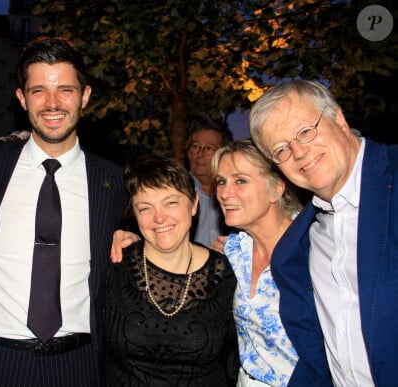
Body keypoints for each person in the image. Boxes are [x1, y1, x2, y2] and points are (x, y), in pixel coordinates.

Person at [0, 37, 128, 386]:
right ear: (21, 99)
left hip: (78, 367)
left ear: (85, 96)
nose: (52, 103)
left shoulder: (111, 180)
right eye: (38, 91)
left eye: (65, 89)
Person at [249, 79, 398, 386]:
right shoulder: (296, 246)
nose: (300, 152)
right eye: (281, 150)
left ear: (339, 120)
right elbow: (317, 354)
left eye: (304, 131)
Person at [105, 155, 238, 386]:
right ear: (134, 215)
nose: (159, 217)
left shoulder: (228, 275)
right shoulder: (114, 265)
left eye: (171, 202)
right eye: (145, 208)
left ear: (194, 203)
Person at [211, 139, 302, 386]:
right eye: (221, 181)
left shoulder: (311, 249)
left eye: (240, 180)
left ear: (277, 188)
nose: (224, 193)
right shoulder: (232, 250)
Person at [185, 121, 232, 247]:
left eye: (209, 149)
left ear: (222, 155)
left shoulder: (233, 194)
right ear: (188, 153)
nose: (200, 155)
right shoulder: (178, 192)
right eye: (195, 147)